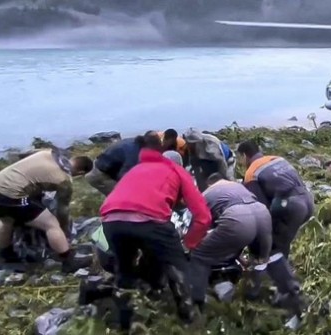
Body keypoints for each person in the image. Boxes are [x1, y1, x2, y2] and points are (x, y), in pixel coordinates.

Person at [99, 133, 212, 329]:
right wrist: (188, 244)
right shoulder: (176, 171)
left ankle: (124, 322)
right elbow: (203, 217)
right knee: (178, 269)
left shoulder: (135, 169)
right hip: (149, 220)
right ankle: (190, 320)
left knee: (125, 271)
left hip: (111, 219)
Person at [0, 147, 94, 273]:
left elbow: (23, 157)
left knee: (7, 220)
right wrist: (63, 229)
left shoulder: (47, 153)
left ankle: (5, 254)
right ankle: (68, 261)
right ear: (81, 173)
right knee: (51, 224)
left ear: (73, 159)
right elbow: (62, 210)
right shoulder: (64, 180)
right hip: (11, 198)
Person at [236, 140, 315, 316]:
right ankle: (277, 282)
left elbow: (260, 208)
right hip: (308, 202)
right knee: (280, 242)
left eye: (239, 159)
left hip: (290, 205)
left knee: (270, 250)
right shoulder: (277, 159)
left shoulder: (251, 173)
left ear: (244, 156)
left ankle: (289, 294)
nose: (240, 163)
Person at [189, 172, 272, 307]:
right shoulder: (237, 186)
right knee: (259, 259)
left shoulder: (207, 194)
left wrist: (190, 243)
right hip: (262, 212)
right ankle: (255, 298)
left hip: (237, 218)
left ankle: (197, 300)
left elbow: (198, 225)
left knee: (199, 255)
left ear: (209, 184)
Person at [85, 131, 160, 196]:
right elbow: (124, 176)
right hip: (99, 175)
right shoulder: (133, 152)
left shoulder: (134, 141)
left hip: (103, 167)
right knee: (123, 196)